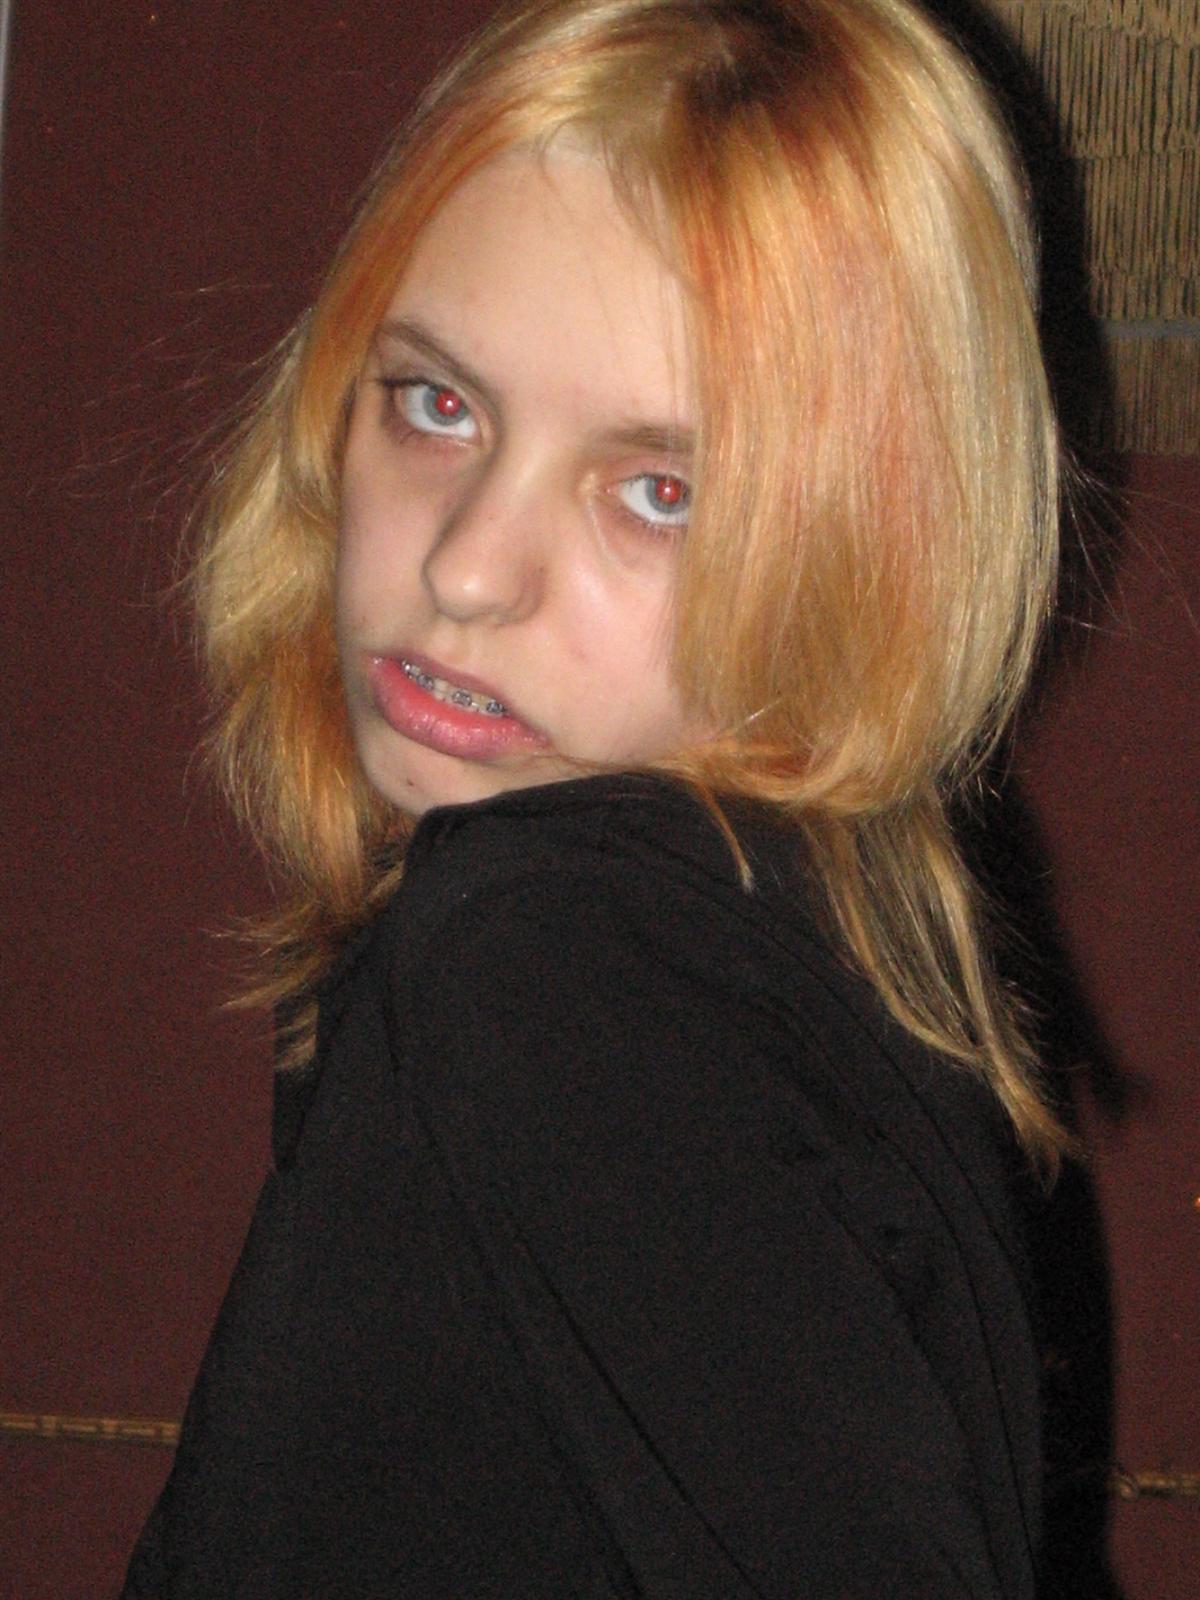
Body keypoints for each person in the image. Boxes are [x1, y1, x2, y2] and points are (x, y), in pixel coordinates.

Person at [122, 0, 1067, 1593]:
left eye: (657, 491)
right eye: (436, 404)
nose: (466, 569)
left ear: (868, 556)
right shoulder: (818, 908)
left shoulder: (556, 959)